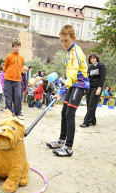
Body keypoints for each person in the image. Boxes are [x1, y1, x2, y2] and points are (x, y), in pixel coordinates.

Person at [46, 25, 90, 157]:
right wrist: (64, 89)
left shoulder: (74, 52)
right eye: (61, 41)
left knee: (70, 114)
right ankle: (62, 140)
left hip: (80, 85)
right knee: (64, 112)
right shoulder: (70, 51)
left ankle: (68, 147)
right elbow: (69, 75)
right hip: (72, 84)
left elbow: (71, 76)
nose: (63, 44)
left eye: (66, 40)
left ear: (73, 38)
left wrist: (61, 92)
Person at [80, 53, 106, 128]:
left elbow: (102, 78)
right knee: (89, 105)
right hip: (89, 88)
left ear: (97, 58)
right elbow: (88, 79)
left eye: (94, 58)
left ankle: (86, 122)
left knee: (92, 105)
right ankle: (92, 121)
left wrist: (99, 88)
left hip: (96, 88)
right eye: (91, 59)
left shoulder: (101, 66)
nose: (92, 60)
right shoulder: (90, 68)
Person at [4, 39, 24, 118]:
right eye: (16, 47)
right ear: (13, 47)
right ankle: (8, 113)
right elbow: (6, 67)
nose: (17, 48)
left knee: (18, 96)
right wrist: (10, 74)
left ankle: (18, 113)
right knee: (8, 96)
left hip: (17, 80)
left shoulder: (22, 58)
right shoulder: (9, 56)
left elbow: (21, 67)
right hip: (8, 80)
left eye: (18, 47)